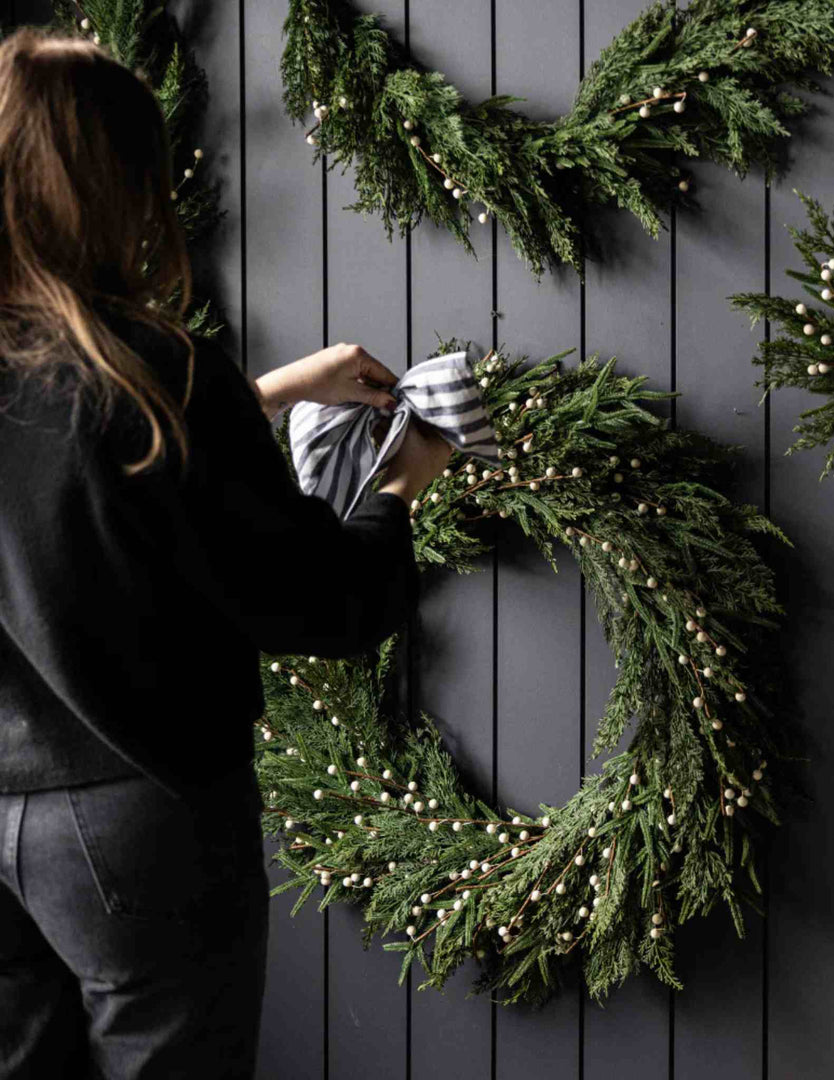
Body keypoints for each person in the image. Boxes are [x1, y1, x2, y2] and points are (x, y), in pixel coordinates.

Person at [0, 28, 452, 1079]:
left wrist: (268, 396)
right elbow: (321, 607)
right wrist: (404, 477)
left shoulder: (109, 382)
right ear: (119, 183)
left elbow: (68, 488)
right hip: (133, 816)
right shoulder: (158, 374)